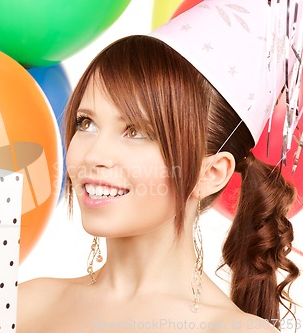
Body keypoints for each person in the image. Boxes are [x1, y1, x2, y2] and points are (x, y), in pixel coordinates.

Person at [17, 0, 301, 332]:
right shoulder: (27, 304)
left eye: (134, 131)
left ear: (210, 174)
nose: (93, 154)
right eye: (86, 123)